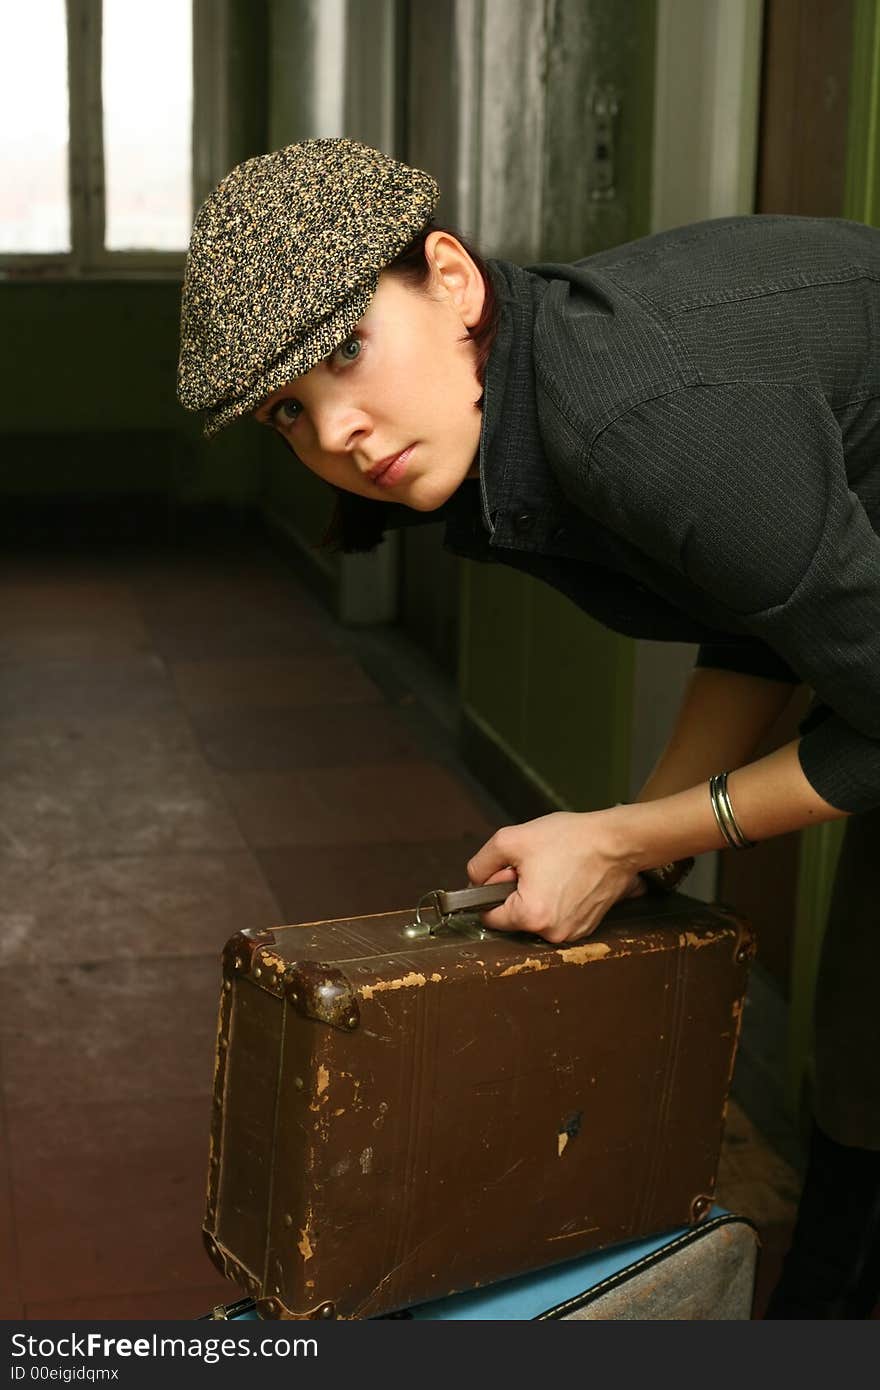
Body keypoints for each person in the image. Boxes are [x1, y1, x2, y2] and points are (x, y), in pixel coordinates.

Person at [177, 138, 880, 1317]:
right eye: (288, 413)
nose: (337, 432)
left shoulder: (634, 416)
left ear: (449, 277)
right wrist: (641, 843)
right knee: (864, 1064)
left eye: (348, 350)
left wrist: (627, 839)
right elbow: (765, 611)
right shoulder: (523, 405)